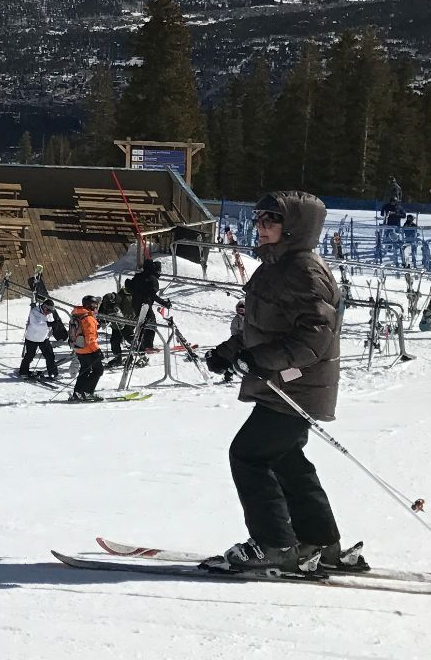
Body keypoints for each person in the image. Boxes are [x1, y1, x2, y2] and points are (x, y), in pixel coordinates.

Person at [203, 192, 362, 575]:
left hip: (296, 386)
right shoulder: (275, 266)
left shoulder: (303, 270)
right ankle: (320, 543)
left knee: (249, 455)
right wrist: (229, 352)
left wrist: (262, 360)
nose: (260, 226)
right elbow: (263, 328)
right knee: (285, 460)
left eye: (270, 219)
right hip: (284, 384)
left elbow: (314, 337)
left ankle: (274, 546)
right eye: (258, 218)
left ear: (294, 226)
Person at [124, 257, 171, 354]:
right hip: (145, 306)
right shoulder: (152, 280)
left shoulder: (138, 276)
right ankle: (148, 346)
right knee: (151, 324)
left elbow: (129, 285)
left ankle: (139, 343)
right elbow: (152, 295)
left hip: (135, 304)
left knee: (140, 324)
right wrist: (164, 303)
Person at [68, 295, 104, 401]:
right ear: (90, 305)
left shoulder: (77, 315)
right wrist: (97, 351)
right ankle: (87, 393)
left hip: (78, 348)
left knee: (85, 370)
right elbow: (90, 338)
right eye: (95, 305)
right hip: (88, 349)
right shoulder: (88, 318)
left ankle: (77, 393)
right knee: (98, 370)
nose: (96, 307)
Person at [19, 295, 60, 380]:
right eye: (48, 310)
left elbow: (50, 322)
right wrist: (49, 324)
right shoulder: (34, 311)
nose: (49, 313)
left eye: (50, 311)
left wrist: (54, 326)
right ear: (44, 307)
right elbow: (36, 325)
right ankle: (23, 372)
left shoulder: (49, 313)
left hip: (44, 338)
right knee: (30, 355)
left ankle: (53, 373)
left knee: (50, 355)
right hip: (32, 338)